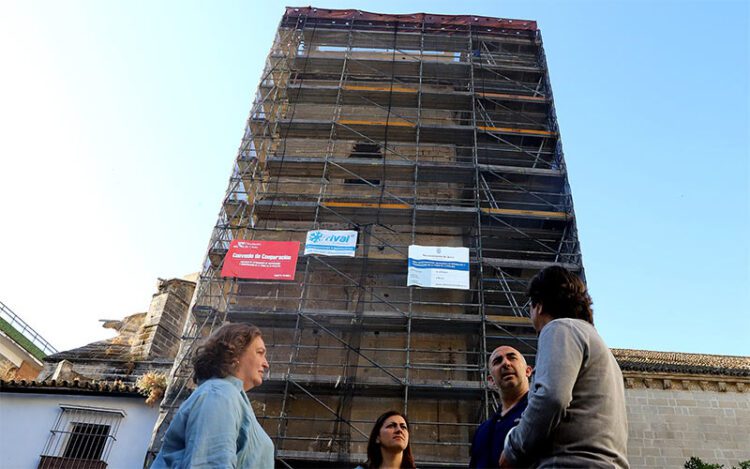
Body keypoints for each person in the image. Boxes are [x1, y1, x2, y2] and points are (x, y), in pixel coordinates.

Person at [499, 265, 629, 468]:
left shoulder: (559, 328)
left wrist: (513, 449)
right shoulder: (599, 347)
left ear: (539, 306)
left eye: (530, 308)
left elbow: (551, 397)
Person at [152, 323, 273, 468]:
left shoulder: (231, 396)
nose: (266, 364)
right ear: (235, 353)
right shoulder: (219, 393)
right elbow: (209, 463)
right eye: (260, 353)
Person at [469, 345, 531, 468]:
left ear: (528, 371)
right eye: (498, 361)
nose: (506, 364)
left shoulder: (541, 411)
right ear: (491, 380)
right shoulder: (483, 430)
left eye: (512, 358)